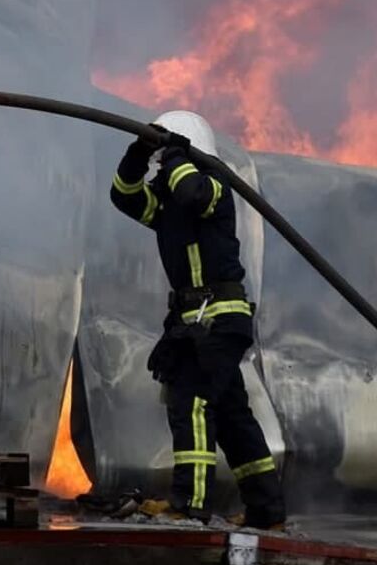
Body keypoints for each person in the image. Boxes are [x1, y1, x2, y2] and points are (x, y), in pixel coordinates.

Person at [109, 111, 285, 529]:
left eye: (168, 157)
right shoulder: (169, 207)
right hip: (197, 322)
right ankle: (267, 511)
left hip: (218, 319)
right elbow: (123, 195)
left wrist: (174, 156)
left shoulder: (214, 190)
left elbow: (190, 191)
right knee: (232, 416)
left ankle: (190, 503)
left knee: (191, 401)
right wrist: (140, 151)